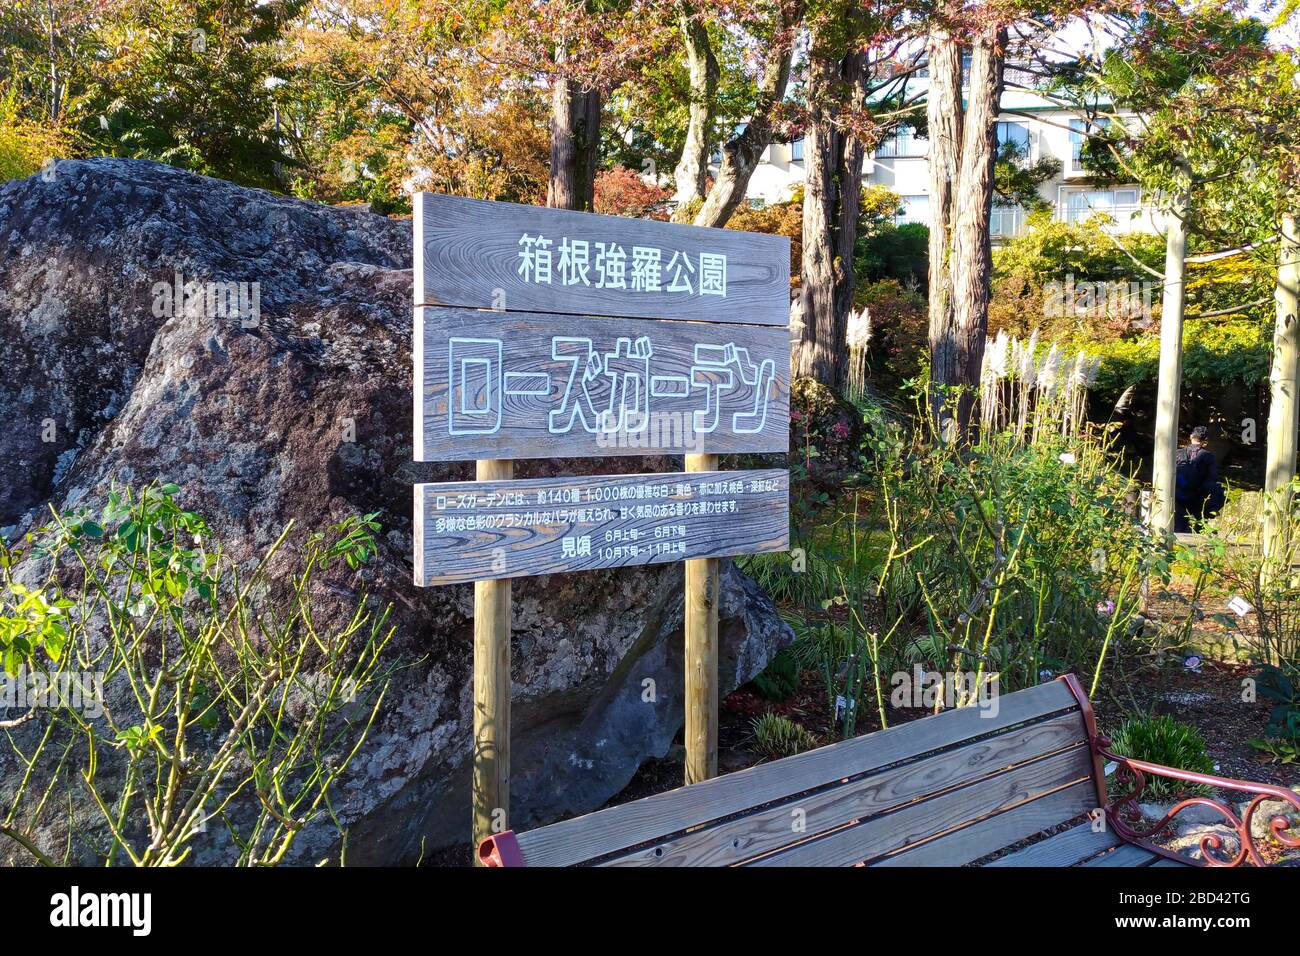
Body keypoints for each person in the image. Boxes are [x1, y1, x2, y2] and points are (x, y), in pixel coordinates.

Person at [1173, 426, 1220, 532]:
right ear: (1205, 441)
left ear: (1191, 437)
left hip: (1178, 495)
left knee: (1179, 524)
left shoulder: (1177, 453)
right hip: (1198, 496)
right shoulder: (1209, 457)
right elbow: (1212, 477)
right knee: (1199, 524)